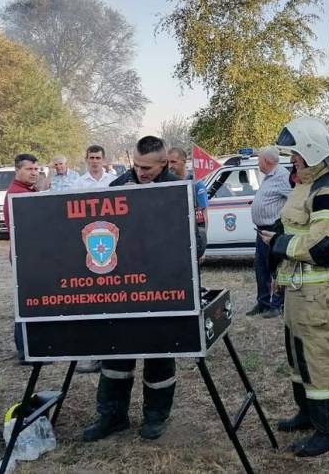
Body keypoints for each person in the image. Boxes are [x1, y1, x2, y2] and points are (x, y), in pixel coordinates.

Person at [259, 117, 329, 457]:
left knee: (317, 357)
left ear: (311, 152)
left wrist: (278, 243)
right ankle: (308, 413)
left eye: (296, 154)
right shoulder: (307, 184)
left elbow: (323, 247)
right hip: (298, 286)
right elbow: (293, 224)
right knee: (297, 353)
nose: (292, 160)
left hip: (315, 291)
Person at [82, 136, 182, 442]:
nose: (141, 172)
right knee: (115, 354)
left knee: (159, 355)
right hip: (124, 288)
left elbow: (198, 242)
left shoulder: (180, 190)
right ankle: (112, 416)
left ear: (164, 163)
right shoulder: (119, 186)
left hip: (162, 287)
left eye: (148, 168)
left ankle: (155, 416)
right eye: (136, 166)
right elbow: (104, 236)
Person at [247, 146, 292, 318]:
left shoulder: (282, 177)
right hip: (261, 231)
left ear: (266, 161)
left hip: (273, 231)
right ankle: (263, 303)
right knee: (261, 268)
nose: (258, 164)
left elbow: (294, 198)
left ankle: (277, 305)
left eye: (259, 160)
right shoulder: (269, 176)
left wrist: (283, 223)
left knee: (277, 269)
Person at [3, 153, 39, 362]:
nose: (34, 173)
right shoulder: (17, 195)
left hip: (29, 254)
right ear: (17, 170)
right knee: (26, 301)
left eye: (36, 169)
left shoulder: (28, 191)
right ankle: (25, 350)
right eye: (29, 169)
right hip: (23, 255)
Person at [167, 146, 209, 260]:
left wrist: (202, 246)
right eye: (168, 162)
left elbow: (203, 217)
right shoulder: (165, 183)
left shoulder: (196, 184)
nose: (170, 166)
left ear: (184, 162)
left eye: (173, 162)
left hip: (190, 242)